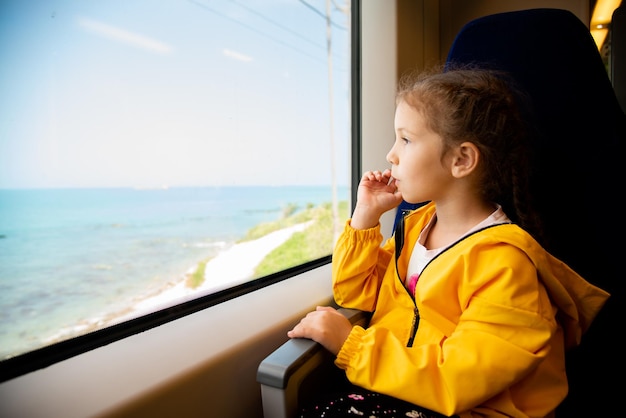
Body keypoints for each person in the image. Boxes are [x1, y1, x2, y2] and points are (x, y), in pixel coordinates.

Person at [287, 66, 610, 418]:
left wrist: (353, 346)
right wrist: (366, 218)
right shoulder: (415, 229)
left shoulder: (505, 265)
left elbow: (457, 377)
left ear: (461, 160)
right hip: (406, 391)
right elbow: (354, 294)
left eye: (405, 140)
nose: (391, 155)